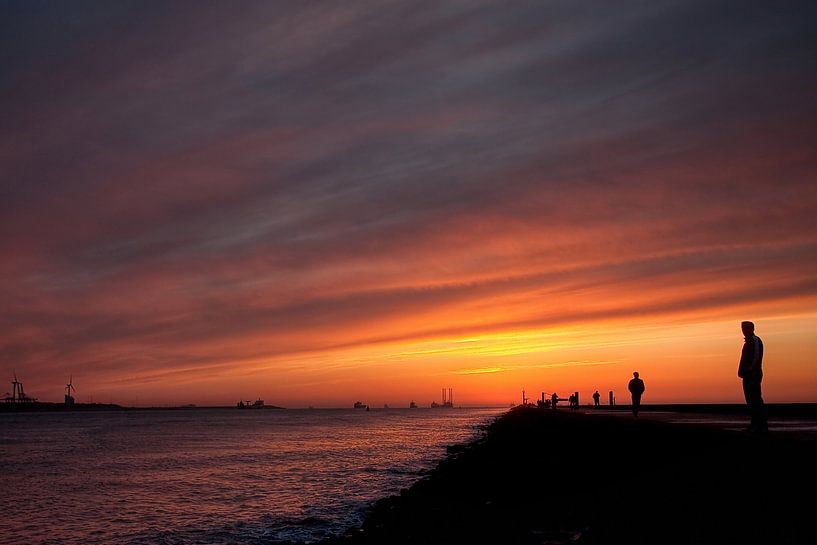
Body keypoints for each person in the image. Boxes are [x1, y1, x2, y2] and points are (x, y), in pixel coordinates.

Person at [738, 321, 767, 432]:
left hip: (753, 375)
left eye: (746, 328)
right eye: (743, 328)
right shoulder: (748, 342)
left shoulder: (755, 341)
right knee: (750, 400)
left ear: (752, 328)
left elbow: (755, 357)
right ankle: (755, 424)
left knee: (755, 400)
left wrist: (748, 370)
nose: (744, 330)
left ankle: (761, 426)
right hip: (747, 375)